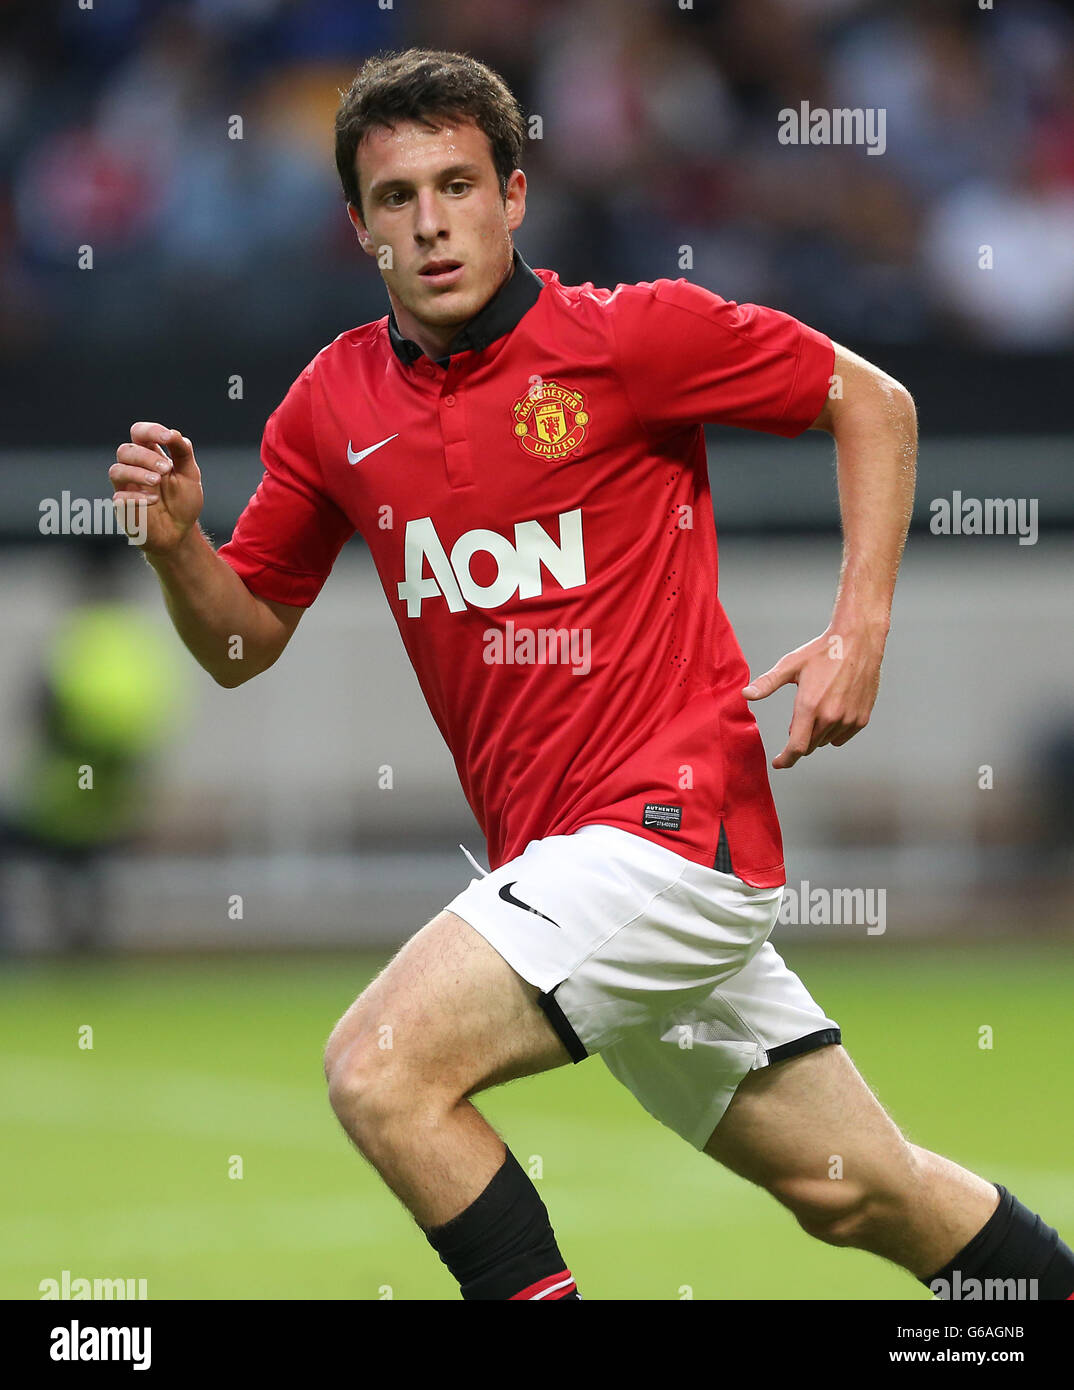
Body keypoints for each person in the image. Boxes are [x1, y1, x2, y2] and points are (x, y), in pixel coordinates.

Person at [109, 48, 1073, 1302]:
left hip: (668, 831)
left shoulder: (629, 339)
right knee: (859, 1189)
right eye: (397, 198)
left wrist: (858, 630)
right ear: (358, 225)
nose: (432, 221)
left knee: (382, 1068)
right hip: (562, 865)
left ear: (516, 196)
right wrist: (181, 545)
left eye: (459, 185)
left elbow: (871, 401)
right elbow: (242, 646)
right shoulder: (331, 402)